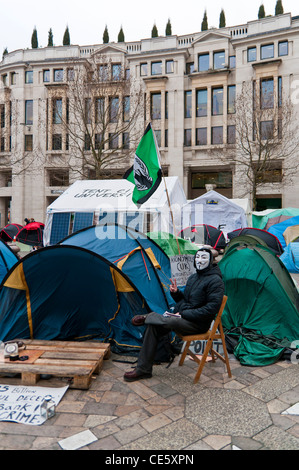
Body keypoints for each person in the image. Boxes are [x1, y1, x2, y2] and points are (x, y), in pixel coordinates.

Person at [123, 247, 225, 382]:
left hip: (198, 324)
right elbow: (186, 301)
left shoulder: (215, 281)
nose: (200, 260)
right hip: (185, 318)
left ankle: (148, 317)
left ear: (211, 261)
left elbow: (210, 310)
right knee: (154, 326)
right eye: (198, 257)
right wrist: (176, 293)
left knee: (170, 320)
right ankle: (143, 370)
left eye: (204, 258)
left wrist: (183, 313)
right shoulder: (194, 277)